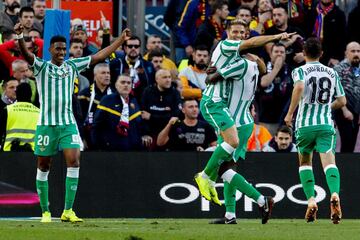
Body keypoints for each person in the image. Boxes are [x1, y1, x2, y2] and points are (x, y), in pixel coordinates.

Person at [14, 21, 131, 223]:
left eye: (64, 49)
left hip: (68, 123)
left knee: (74, 161)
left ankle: (68, 210)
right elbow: (26, 55)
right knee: (43, 166)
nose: (61, 51)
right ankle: (45, 211)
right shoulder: (42, 66)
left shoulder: (72, 65)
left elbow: (99, 56)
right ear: (50, 49)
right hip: (46, 124)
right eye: (58, 49)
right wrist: (19, 38)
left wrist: (120, 40)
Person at [195, 18, 293, 221]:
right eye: (235, 32)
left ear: (247, 36)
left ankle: (207, 179)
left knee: (224, 168)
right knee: (228, 169)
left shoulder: (240, 62)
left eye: (242, 33)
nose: (238, 36)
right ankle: (231, 213)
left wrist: (212, 72)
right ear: (227, 34)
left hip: (234, 120)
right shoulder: (251, 61)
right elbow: (264, 71)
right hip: (243, 120)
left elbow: (209, 79)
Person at [284, 37, 346, 224]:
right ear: (322, 53)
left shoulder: (299, 70)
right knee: (329, 164)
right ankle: (334, 194)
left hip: (304, 126)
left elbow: (300, 86)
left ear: (303, 53)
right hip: (325, 125)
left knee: (305, 164)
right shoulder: (332, 72)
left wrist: (289, 114)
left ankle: (311, 201)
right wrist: (327, 107)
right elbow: (342, 101)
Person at [91, 74, 151, 151]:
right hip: (111, 149)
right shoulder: (107, 100)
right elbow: (97, 125)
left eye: (129, 83)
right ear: (116, 85)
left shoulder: (134, 101)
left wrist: (145, 134)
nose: (126, 85)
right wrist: (98, 146)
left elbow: (139, 123)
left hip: (132, 149)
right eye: (123, 82)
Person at [78, 63, 113, 150]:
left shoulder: (114, 95)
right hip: (88, 137)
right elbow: (78, 119)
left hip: (110, 139)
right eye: (103, 73)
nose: (107, 76)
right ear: (95, 76)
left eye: (108, 73)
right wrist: (81, 138)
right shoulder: (84, 95)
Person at [333, 42, 360, 153]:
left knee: (352, 143)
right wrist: (345, 110)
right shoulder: (338, 69)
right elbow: (335, 90)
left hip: (357, 109)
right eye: (353, 51)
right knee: (346, 140)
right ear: (346, 53)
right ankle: (344, 167)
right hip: (342, 109)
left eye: (358, 51)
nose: (356, 54)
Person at [0, 82, 39, 151]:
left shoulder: (8, 110)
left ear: (17, 93)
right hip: (33, 152)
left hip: (9, 152)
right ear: (30, 94)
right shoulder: (39, 112)